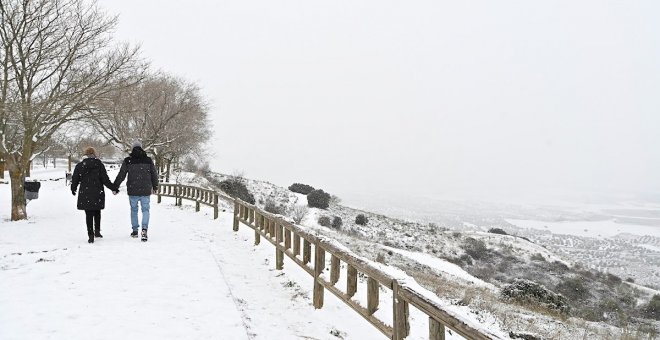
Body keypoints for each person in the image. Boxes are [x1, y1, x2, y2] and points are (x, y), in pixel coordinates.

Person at [71, 147, 118, 243]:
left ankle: (90, 235)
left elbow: (75, 178)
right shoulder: (99, 164)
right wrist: (113, 188)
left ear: (85, 154)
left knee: (88, 214)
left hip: (85, 192)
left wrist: (73, 188)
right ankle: (97, 231)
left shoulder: (80, 165)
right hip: (97, 191)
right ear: (94, 154)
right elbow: (105, 179)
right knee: (97, 211)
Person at [114, 141, 159, 242]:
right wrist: (155, 186)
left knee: (134, 210)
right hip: (146, 189)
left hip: (133, 189)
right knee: (145, 210)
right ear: (141, 148)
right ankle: (144, 229)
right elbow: (154, 174)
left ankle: (135, 231)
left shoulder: (128, 160)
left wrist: (115, 187)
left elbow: (121, 175)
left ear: (132, 149)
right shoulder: (148, 160)